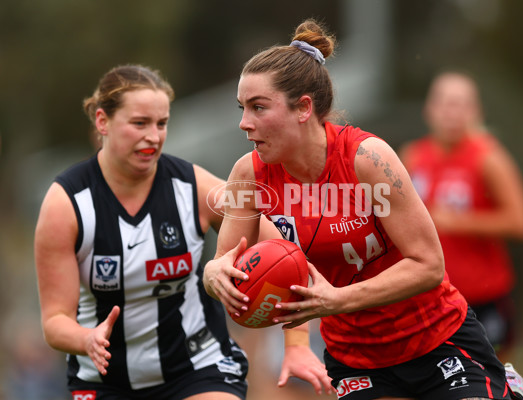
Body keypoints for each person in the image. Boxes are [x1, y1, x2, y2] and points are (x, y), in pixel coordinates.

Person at [201, 18, 523, 400]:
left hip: (435, 339)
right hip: (354, 358)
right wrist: (215, 274)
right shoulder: (247, 174)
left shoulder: (367, 159)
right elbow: (223, 262)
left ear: (303, 108)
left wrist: (336, 300)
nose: (243, 123)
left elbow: (428, 265)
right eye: (242, 108)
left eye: (258, 108)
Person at [33, 64, 330, 400]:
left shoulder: (194, 187)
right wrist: (86, 339)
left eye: (161, 124)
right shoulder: (66, 204)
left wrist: (296, 344)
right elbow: (55, 320)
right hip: (105, 381)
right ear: (102, 122)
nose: (153, 136)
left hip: (197, 368)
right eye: (139, 123)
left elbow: (285, 253)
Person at [398, 72, 523, 362]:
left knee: (490, 382)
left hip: (483, 299)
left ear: (476, 112)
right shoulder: (412, 157)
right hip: (430, 298)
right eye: (445, 104)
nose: (452, 113)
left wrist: (459, 222)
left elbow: (522, 223)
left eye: (461, 105)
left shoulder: (488, 158)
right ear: (429, 109)